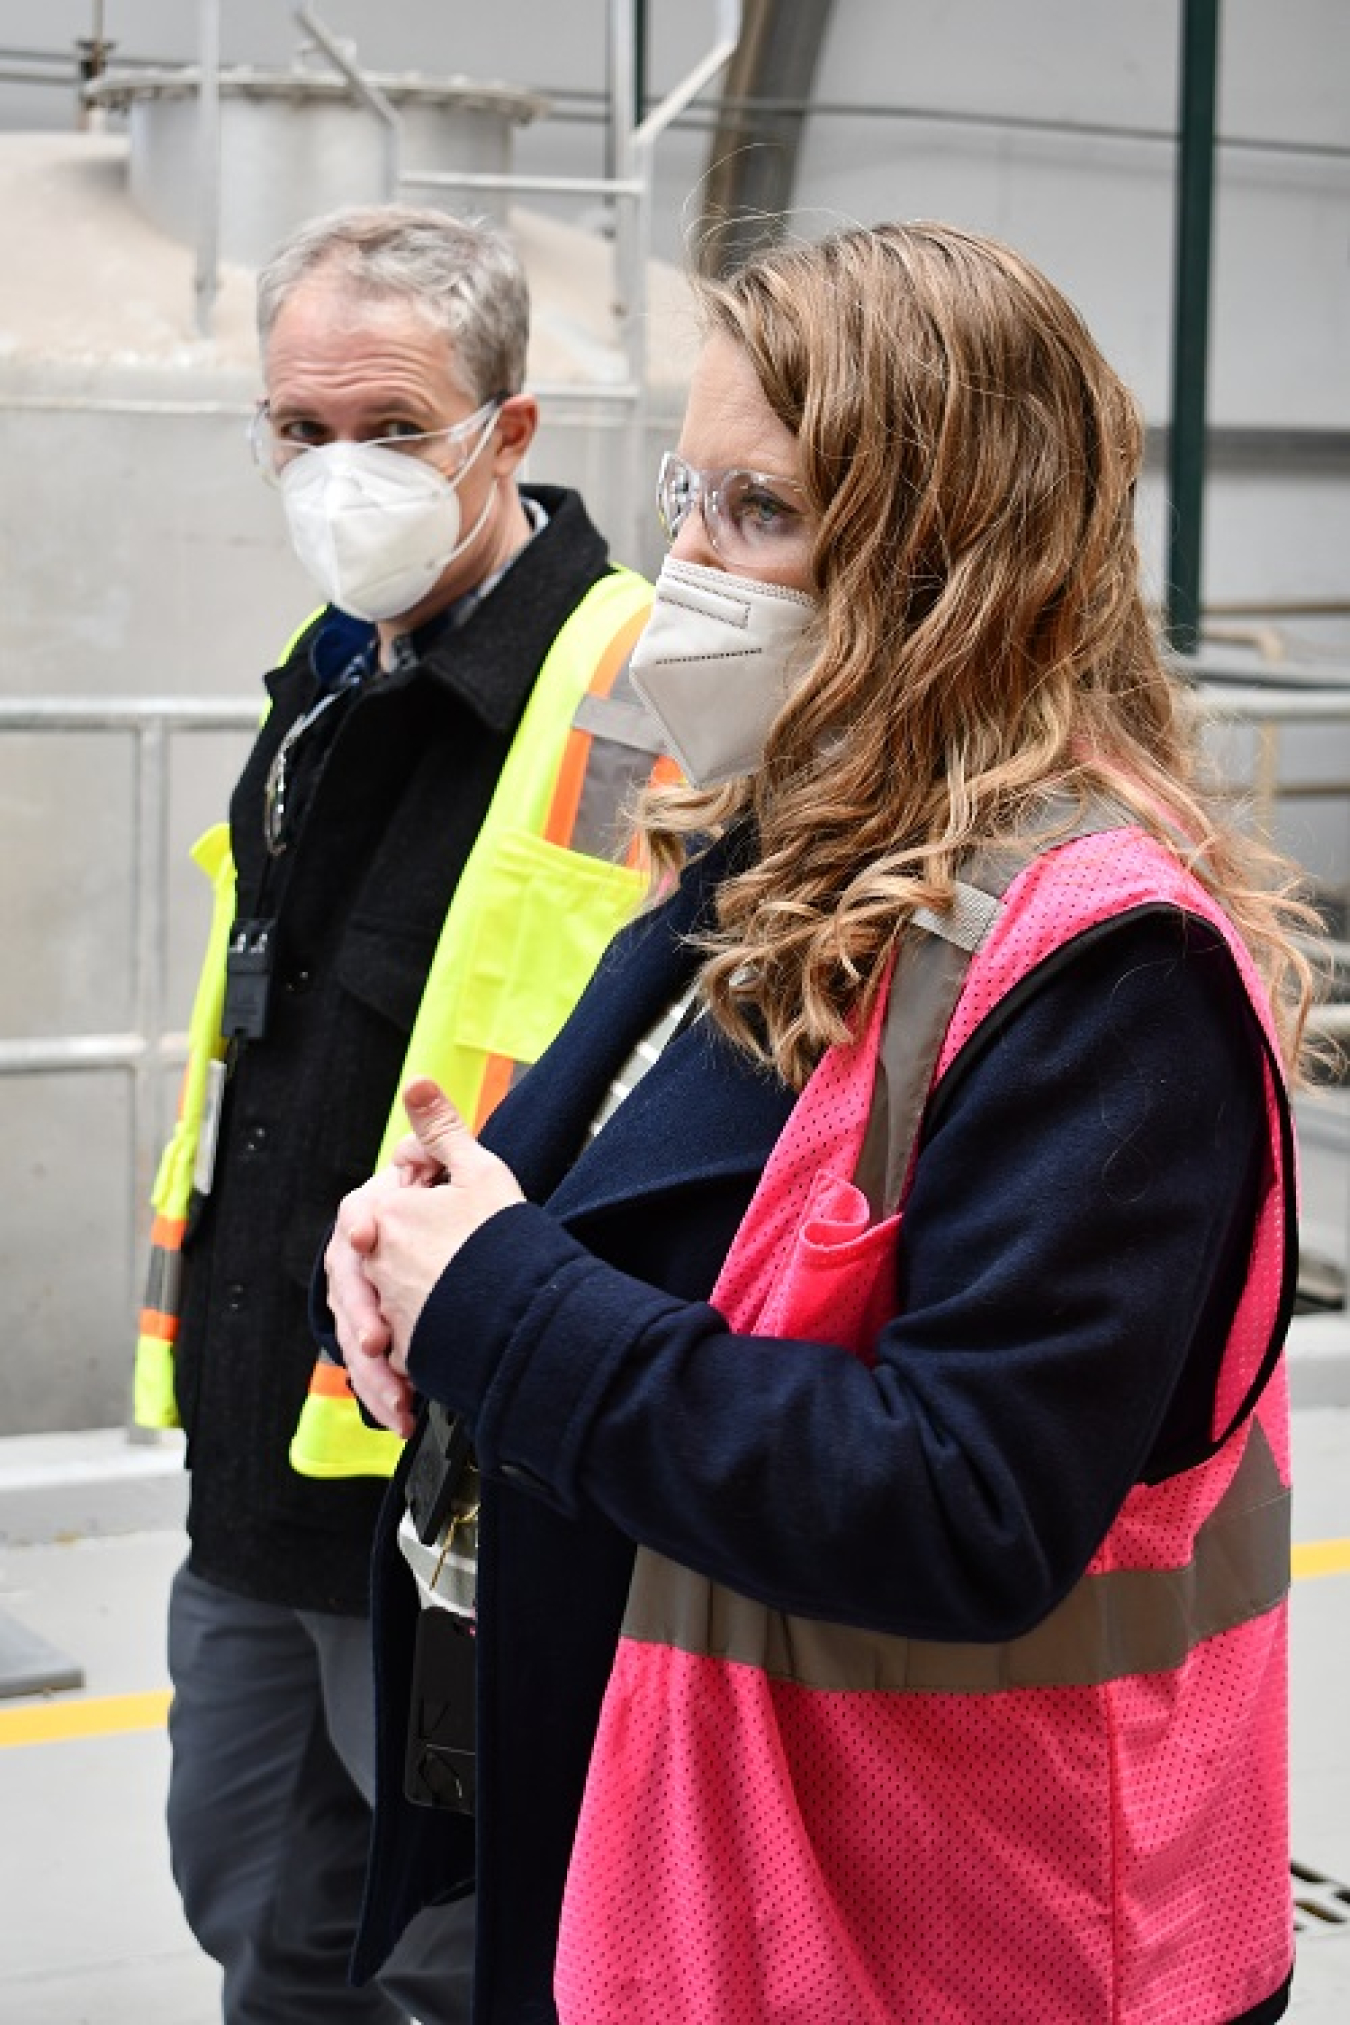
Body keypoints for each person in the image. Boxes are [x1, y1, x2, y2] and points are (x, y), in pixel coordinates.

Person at [325, 222, 1308, 2024]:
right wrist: (405, 1246)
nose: (684, 567)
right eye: (683, 496)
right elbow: (570, 1213)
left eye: (758, 513)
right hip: (676, 1870)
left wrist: (502, 1307)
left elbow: (962, 1498)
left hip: (938, 1936)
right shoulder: (785, 854)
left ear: (957, 560)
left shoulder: (1109, 968)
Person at [132, 203, 656, 2023]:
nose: (339, 474)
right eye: (300, 429)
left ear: (508, 432)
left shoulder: (636, 697)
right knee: (262, 1918)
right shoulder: (324, 681)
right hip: (263, 1452)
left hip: (472, 1477)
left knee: (468, 1950)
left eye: (393, 428)